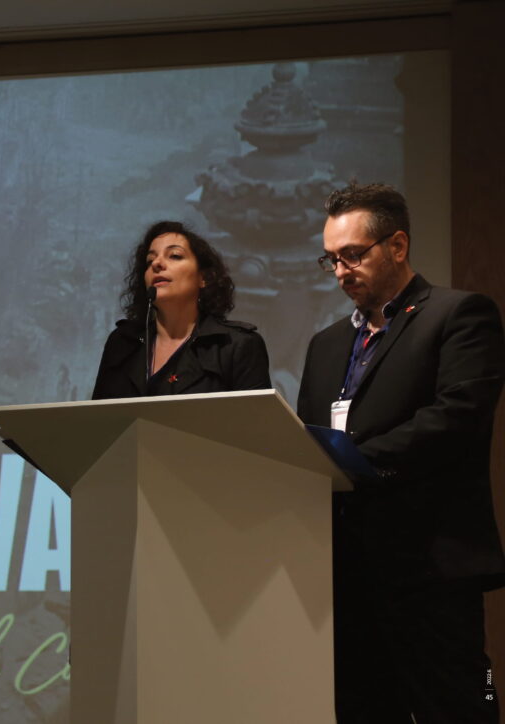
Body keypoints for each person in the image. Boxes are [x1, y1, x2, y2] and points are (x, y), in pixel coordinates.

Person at [297, 182, 505, 722]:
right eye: (331, 259)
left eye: (352, 255)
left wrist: (353, 461)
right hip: (346, 571)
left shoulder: (459, 315)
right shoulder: (325, 345)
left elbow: (455, 417)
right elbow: (310, 434)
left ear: (397, 245)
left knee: (459, 707)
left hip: (429, 567)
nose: (340, 271)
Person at [92, 220, 270, 398]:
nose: (157, 264)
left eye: (175, 256)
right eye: (149, 260)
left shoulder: (236, 346)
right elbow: (99, 414)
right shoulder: (121, 343)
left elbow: (255, 416)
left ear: (204, 278)